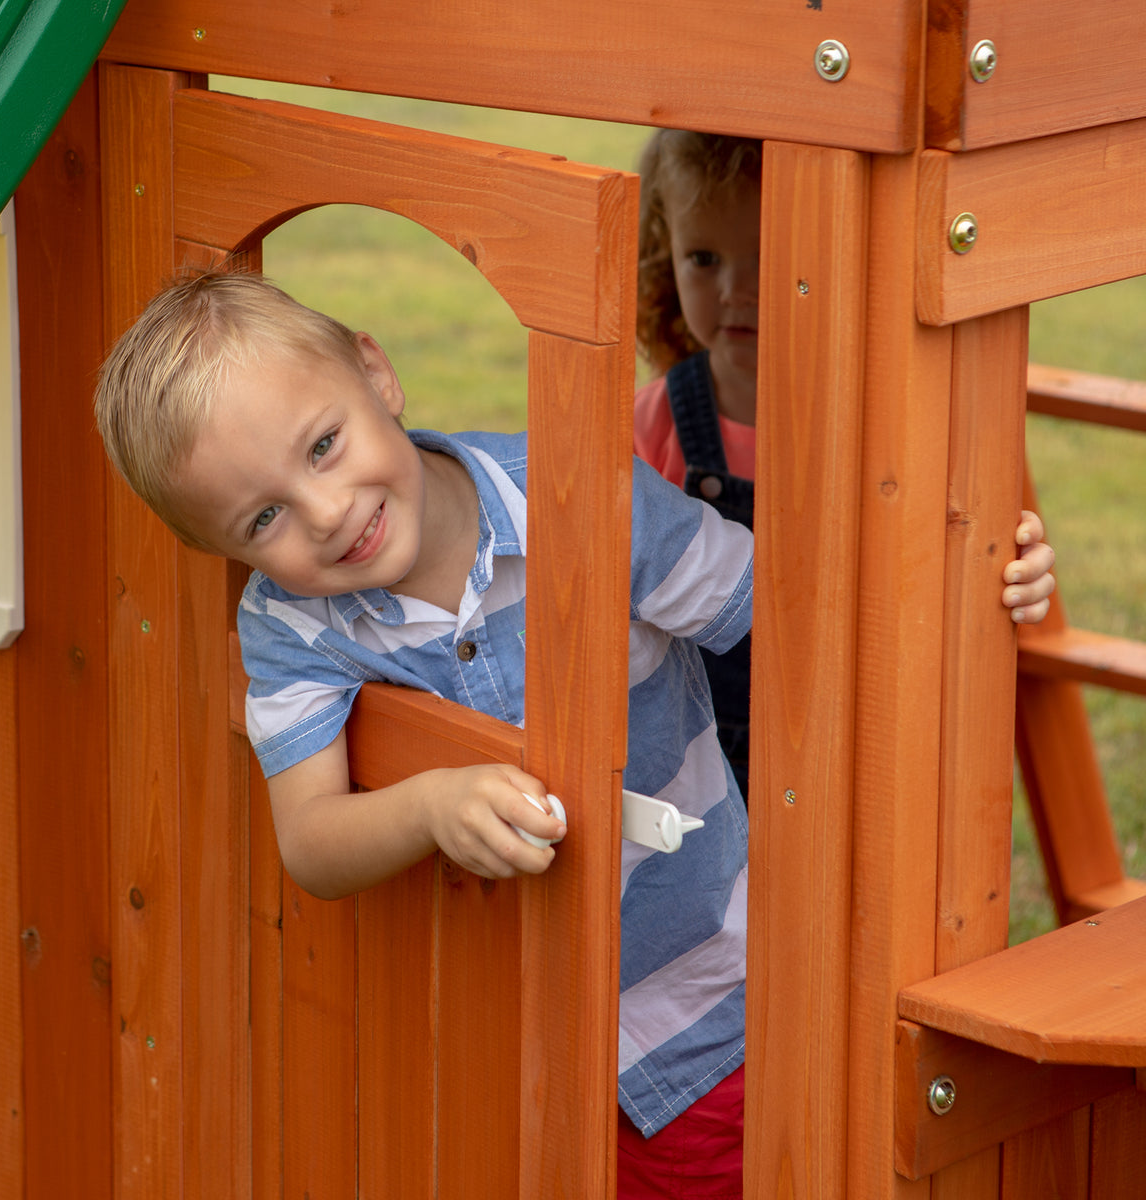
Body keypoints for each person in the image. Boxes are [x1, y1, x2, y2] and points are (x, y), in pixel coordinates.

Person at [95, 271, 1054, 1198]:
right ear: (219, 550)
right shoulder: (291, 623)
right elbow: (311, 839)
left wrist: (973, 579)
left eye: (323, 446)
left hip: (708, 1003)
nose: (328, 511)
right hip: (509, 1045)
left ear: (374, 373)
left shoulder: (582, 497)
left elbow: (799, 611)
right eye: (263, 517)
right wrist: (431, 803)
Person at [633, 128, 1056, 799]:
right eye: (704, 257)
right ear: (666, 257)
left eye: (772, 258)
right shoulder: (648, 426)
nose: (736, 289)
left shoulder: (884, 425)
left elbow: (959, 542)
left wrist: (1017, 571)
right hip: (690, 765)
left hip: (853, 752)